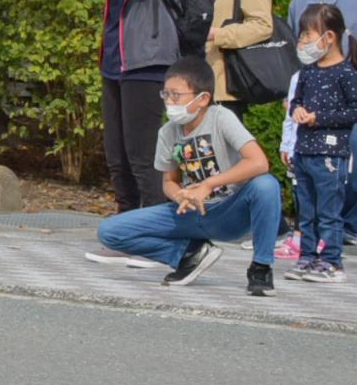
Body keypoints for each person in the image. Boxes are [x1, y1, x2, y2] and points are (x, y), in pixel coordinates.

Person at [58, 0, 194, 217]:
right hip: (116, 62)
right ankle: (127, 225)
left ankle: (154, 226)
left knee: (141, 152)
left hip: (148, 61)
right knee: (116, 153)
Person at [96, 57, 285, 295]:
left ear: (203, 98)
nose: (169, 102)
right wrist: (180, 196)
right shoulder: (167, 132)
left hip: (227, 210)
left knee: (266, 185)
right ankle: (188, 254)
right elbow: (169, 182)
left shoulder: (220, 118)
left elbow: (259, 162)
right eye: (166, 94)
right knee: (110, 232)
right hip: (189, 211)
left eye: (177, 95)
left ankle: (261, 267)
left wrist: (208, 184)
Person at [286, 0, 357, 244]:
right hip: (311, 92)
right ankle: (314, 227)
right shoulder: (300, 2)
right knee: (311, 161)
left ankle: (349, 225)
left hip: (353, 90)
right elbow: (293, 50)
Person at [285, 4, 357, 283]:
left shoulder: (346, 73)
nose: (302, 42)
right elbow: (295, 102)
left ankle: (332, 261)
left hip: (330, 153)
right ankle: (307, 258)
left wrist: (320, 118)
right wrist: (296, 110)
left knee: (329, 212)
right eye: (301, 37)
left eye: (308, 37)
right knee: (306, 212)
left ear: (330, 37)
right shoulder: (307, 72)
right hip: (304, 151)